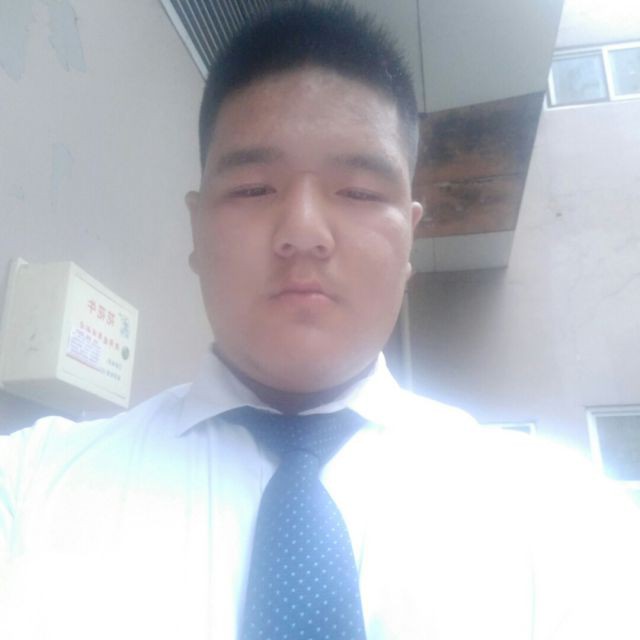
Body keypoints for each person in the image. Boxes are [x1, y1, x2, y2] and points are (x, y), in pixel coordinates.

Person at [1, 3, 639, 639]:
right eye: (253, 188)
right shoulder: (29, 488)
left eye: (360, 192)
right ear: (196, 228)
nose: (303, 231)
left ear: (410, 237)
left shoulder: (561, 518)